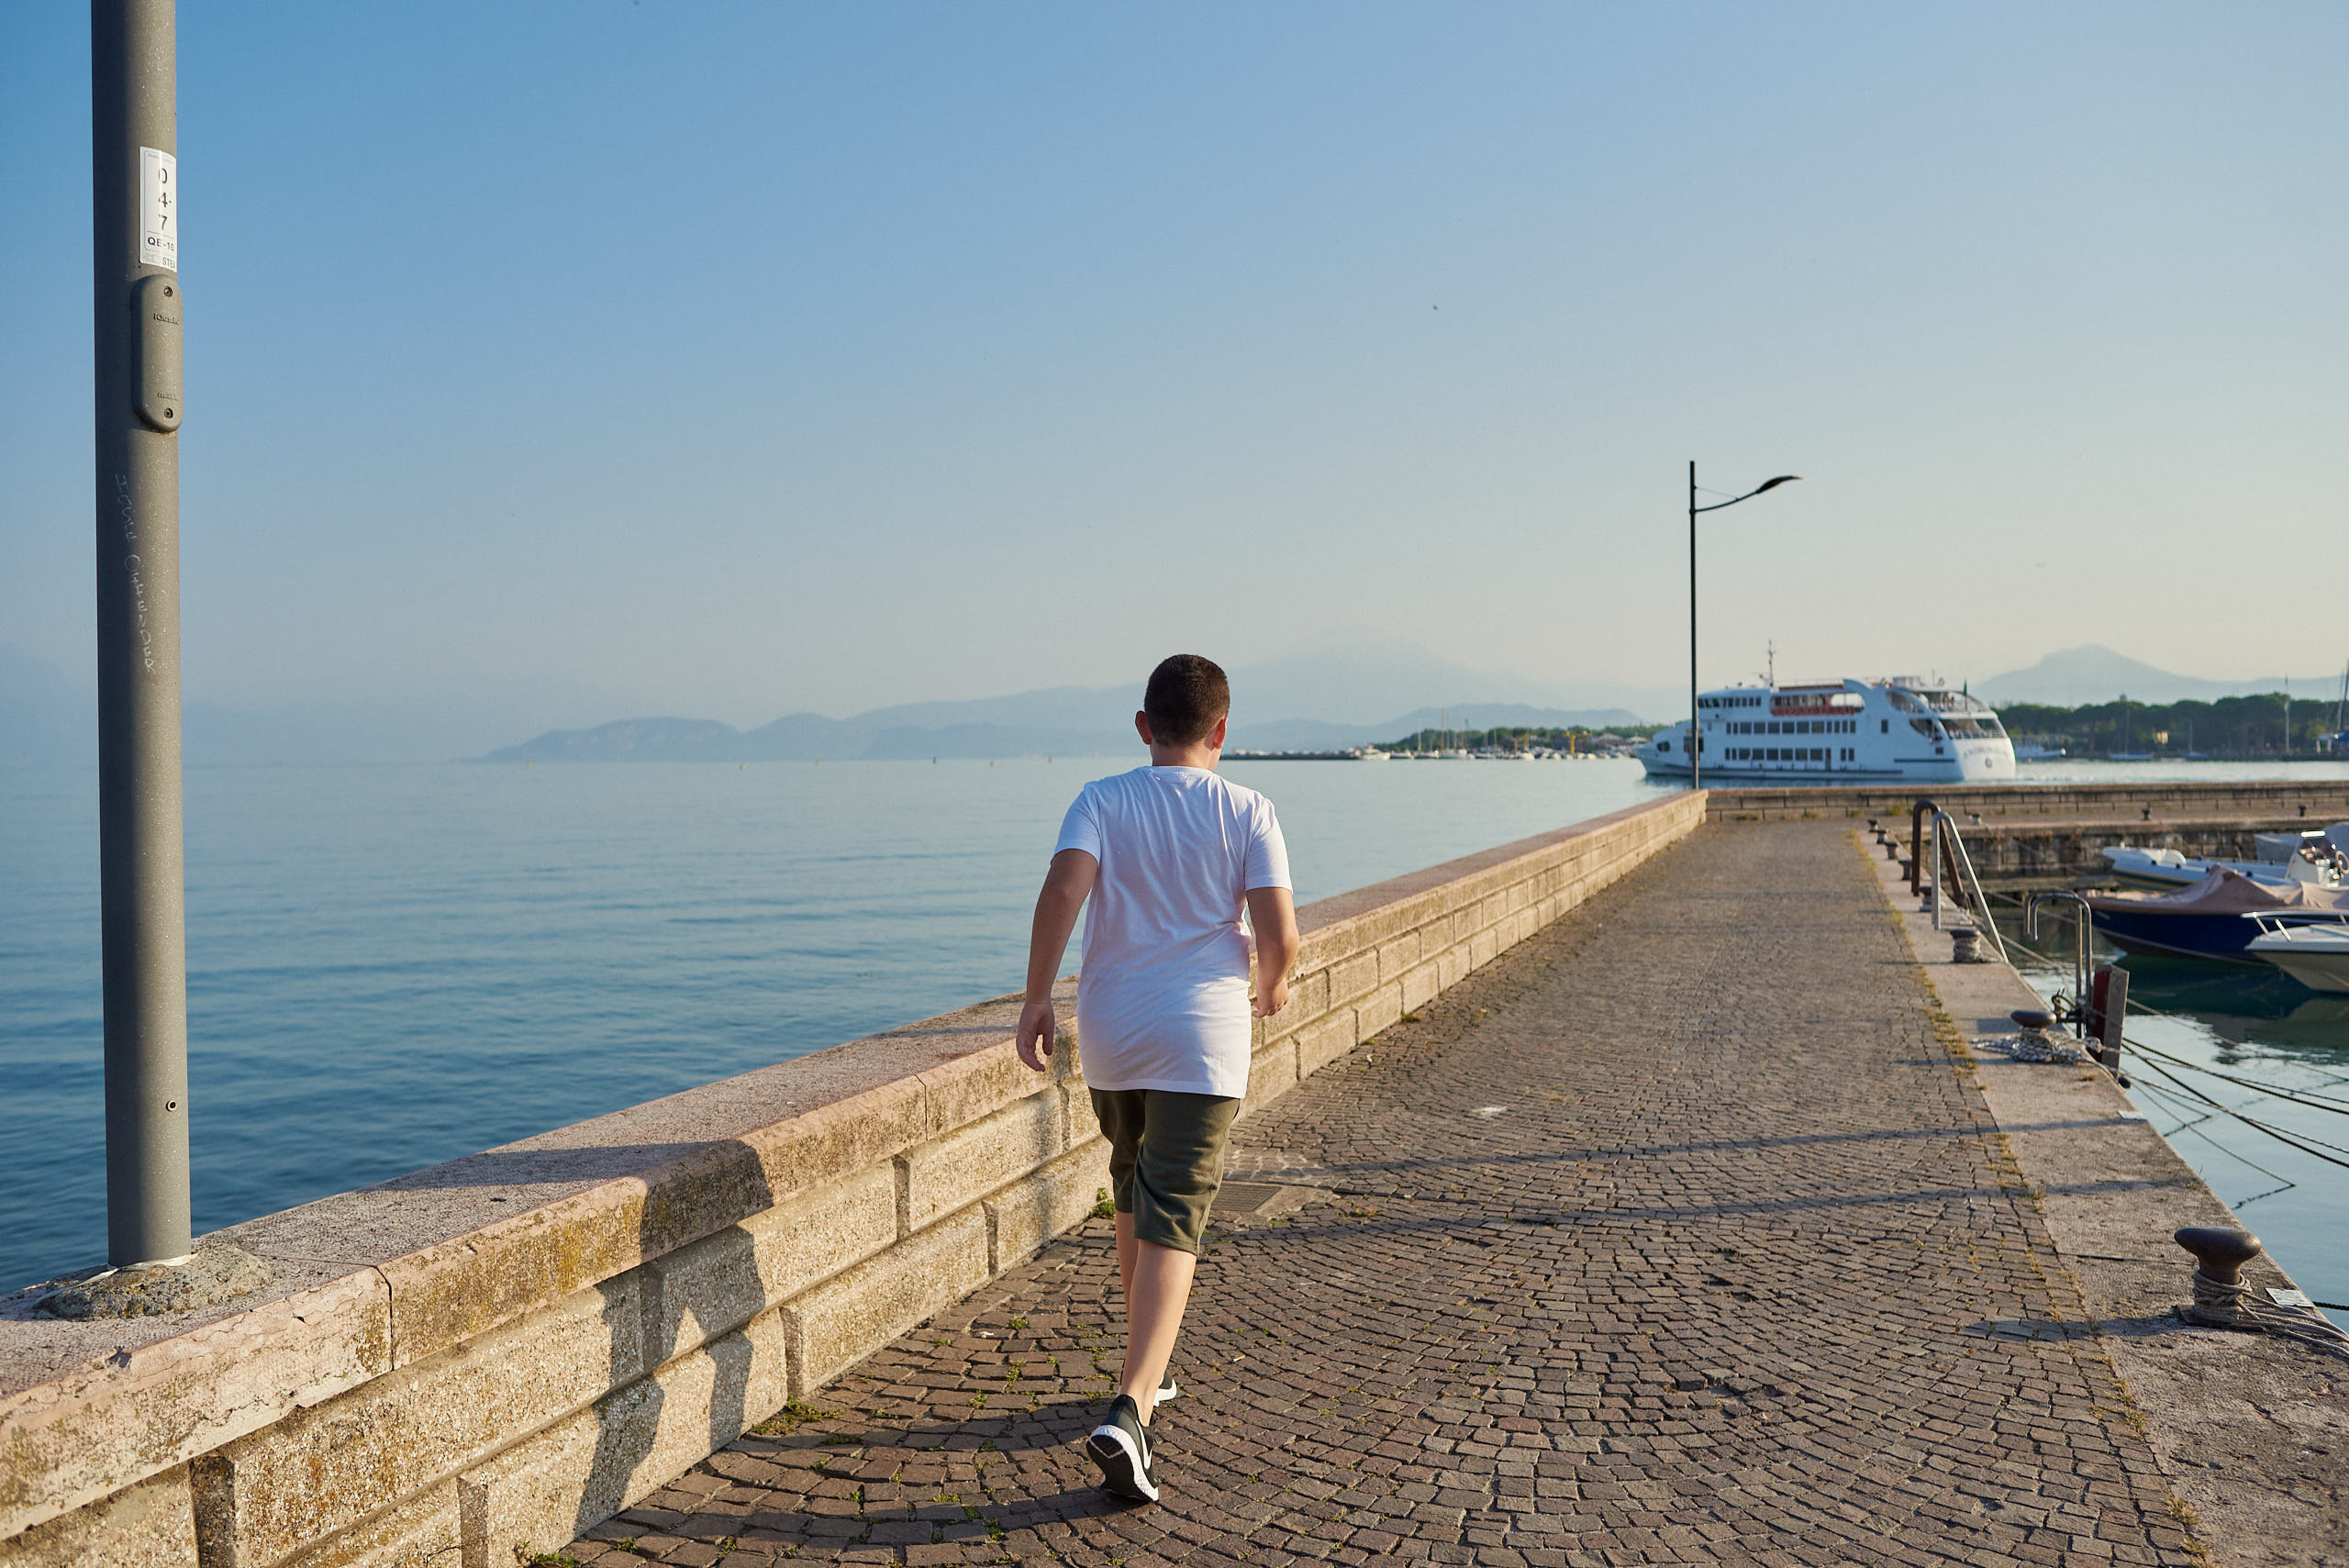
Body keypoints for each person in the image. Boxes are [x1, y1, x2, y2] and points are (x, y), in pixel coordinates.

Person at [1014, 653, 1298, 1504]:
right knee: (1176, 1199)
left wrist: (1036, 995)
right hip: (1199, 1036)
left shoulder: (1101, 798)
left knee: (1135, 1185)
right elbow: (1279, 928)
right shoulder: (1249, 807)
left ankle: (1147, 1367)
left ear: (1143, 727)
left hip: (1113, 1029)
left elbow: (1065, 889)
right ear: (1221, 729)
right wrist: (1274, 982)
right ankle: (1132, 1407)